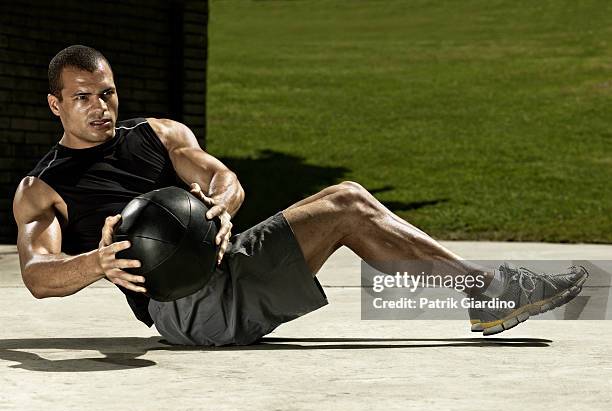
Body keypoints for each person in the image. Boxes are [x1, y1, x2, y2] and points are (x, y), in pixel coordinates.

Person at [12, 45, 588, 346]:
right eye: (83, 97)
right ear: (56, 105)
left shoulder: (156, 135)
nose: (100, 107)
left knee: (350, 202)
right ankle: (487, 293)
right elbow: (38, 276)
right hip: (184, 307)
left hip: (227, 265)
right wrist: (98, 263)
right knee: (348, 205)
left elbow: (222, 177)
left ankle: (485, 294)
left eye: (106, 93)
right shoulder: (45, 186)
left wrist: (222, 207)